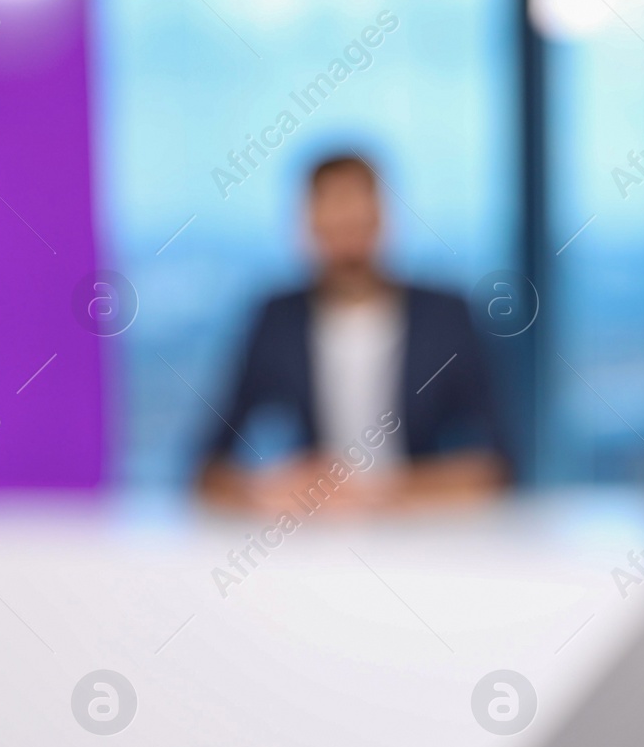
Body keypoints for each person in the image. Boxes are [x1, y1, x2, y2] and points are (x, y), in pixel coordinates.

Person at [199, 154, 509, 513]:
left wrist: (379, 491)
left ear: (382, 218)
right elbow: (208, 468)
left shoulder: (445, 316)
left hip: (425, 532)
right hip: (312, 536)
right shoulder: (276, 319)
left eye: (358, 215)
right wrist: (271, 487)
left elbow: (496, 465)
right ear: (308, 224)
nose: (347, 233)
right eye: (333, 217)